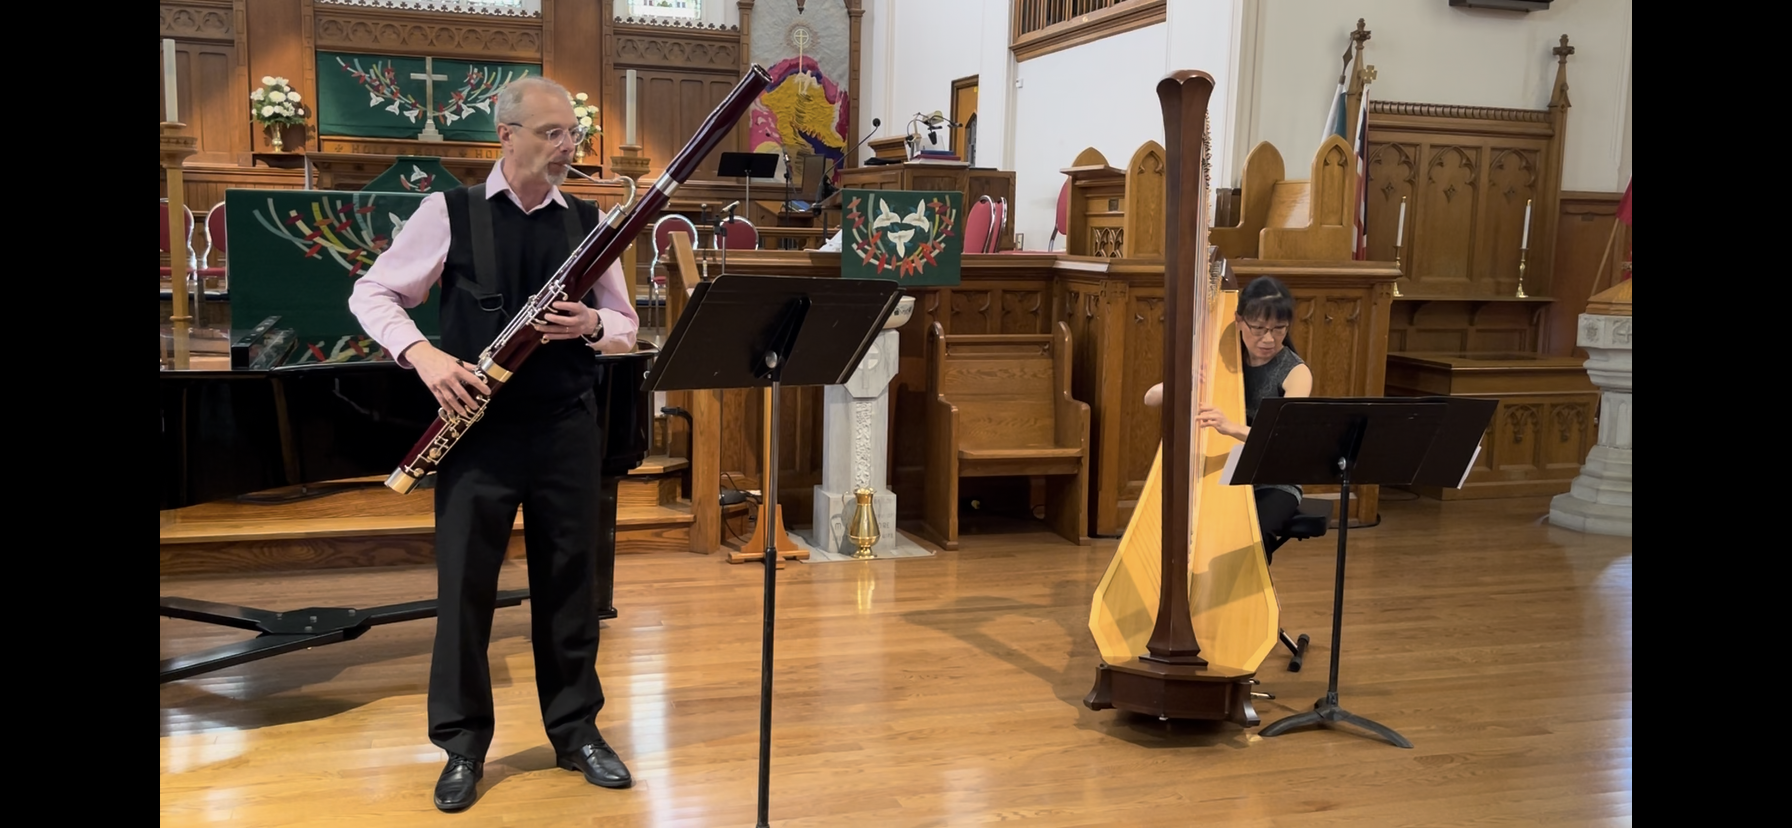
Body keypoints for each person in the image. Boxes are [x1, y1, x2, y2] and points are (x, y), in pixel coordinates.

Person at [348, 75, 640, 813]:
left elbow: (628, 326)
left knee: (571, 587)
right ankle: (461, 746)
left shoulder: (592, 224)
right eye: (551, 133)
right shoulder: (448, 213)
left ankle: (576, 733)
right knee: (466, 594)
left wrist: (594, 328)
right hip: (477, 436)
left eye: (572, 133)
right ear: (505, 136)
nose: (567, 146)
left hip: (566, 428)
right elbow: (371, 294)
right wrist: (427, 358)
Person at [1143, 276, 1311, 561]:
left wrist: (1231, 427)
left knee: (1251, 538)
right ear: (1239, 321)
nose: (1268, 339)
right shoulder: (1221, 354)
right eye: (1258, 328)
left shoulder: (1295, 372)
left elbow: (1283, 438)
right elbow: (1150, 398)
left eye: (1279, 329)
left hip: (1272, 480)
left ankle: (1251, 601)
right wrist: (1182, 381)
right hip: (1222, 471)